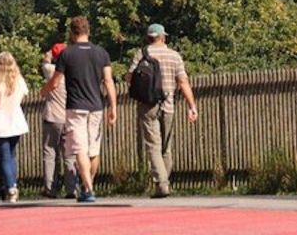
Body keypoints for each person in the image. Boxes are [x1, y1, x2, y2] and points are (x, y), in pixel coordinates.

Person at [40, 16, 117, 203]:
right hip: (96, 106)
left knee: (80, 149)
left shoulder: (67, 54)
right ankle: (88, 184)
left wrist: (44, 90)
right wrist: (113, 106)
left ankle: (88, 188)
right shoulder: (101, 53)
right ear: (88, 31)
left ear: (72, 33)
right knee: (93, 149)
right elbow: (108, 81)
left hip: (76, 106)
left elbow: (56, 81)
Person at [125, 23, 198, 198]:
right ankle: (164, 183)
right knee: (166, 148)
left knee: (153, 146)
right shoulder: (174, 56)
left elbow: (129, 77)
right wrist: (192, 106)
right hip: (168, 105)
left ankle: (162, 184)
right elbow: (183, 82)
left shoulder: (141, 54)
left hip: (147, 105)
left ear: (148, 37)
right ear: (163, 37)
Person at [0, 51, 29, 202]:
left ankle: (10, 186)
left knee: (4, 156)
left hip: (0, 119)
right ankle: (11, 183)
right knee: (12, 155)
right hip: (15, 118)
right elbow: (23, 96)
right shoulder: (19, 80)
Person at [41, 42, 78, 198]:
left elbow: (45, 61)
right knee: (69, 154)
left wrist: (50, 53)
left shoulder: (52, 72)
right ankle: (72, 189)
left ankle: (50, 188)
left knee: (50, 152)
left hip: (52, 117)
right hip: (69, 116)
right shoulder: (74, 72)